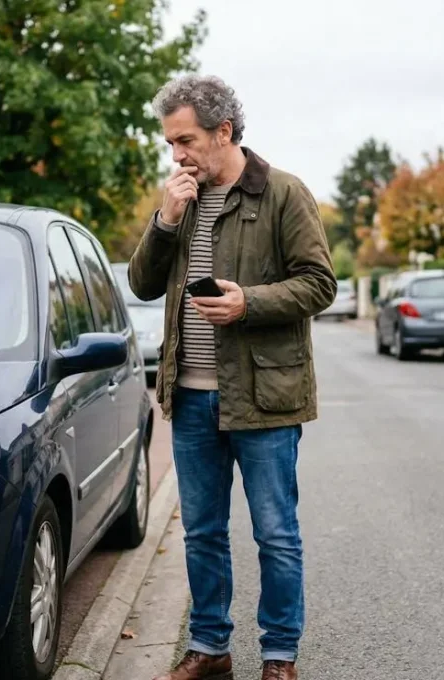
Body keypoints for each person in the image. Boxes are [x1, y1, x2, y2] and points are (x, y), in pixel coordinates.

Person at [128, 75, 336, 680]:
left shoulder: (283, 194)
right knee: (202, 532)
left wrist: (249, 302)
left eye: (186, 140)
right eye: (170, 144)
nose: (178, 156)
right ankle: (210, 647)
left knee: (275, 534)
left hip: (265, 400)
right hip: (190, 399)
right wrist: (164, 221)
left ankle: (279, 657)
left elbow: (320, 284)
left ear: (224, 131)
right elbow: (142, 284)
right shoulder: (180, 200)